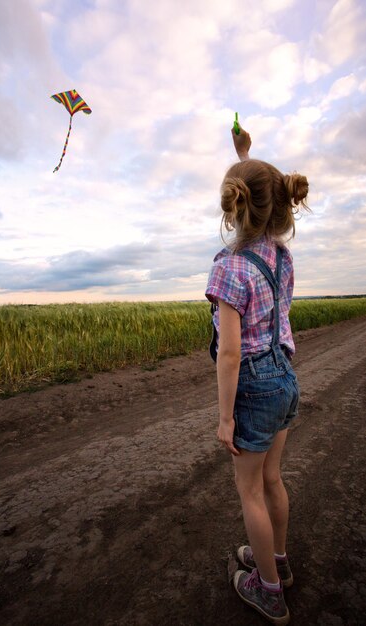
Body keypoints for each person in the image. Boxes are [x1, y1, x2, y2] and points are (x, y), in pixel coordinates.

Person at [205, 123, 309, 625]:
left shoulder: (228, 268)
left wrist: (225, 418)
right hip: (286, 377)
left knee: (249, 492)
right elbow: (264, 188)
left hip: (253, 388)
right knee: (272, 479)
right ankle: (280, 565)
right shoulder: (281, 256)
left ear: (233, 207)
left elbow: (229, 355)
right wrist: (247, 155)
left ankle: (268, 591)